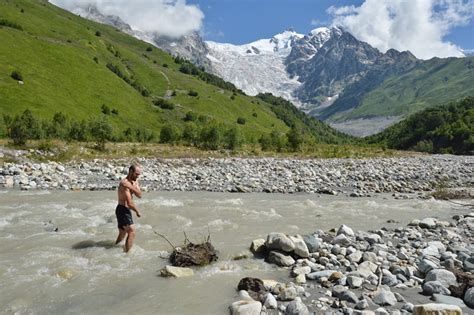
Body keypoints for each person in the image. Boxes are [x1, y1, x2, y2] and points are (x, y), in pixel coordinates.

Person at [115, 164, 143, 252]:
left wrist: (131, 186)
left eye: (139, 174)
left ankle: (112, 249)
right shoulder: (124, 183)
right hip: (122, 209)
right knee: (132, 232)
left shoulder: (134, 182)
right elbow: (129, 203)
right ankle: (127, 254)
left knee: (122, 234)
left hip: (125, 210)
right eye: (136, 174)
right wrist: (137, 211)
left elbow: (139, 195)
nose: (138, 176)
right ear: (131, 171)